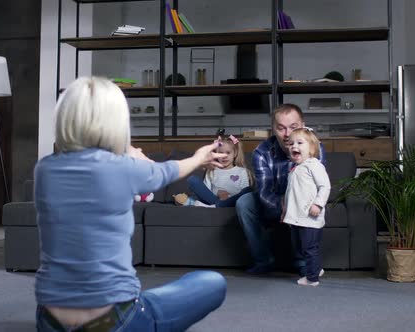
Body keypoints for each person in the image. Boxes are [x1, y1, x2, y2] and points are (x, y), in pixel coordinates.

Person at [34, 76, 227, 332]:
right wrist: (198, 157)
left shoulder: (45, 169)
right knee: (211, 282)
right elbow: (167, 172)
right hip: (111, 322)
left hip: (50, 320)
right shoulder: (123, 168)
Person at [235, 103, 325, 275]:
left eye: (293, 127)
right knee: (244, 202)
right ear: (273, 129)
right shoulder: (261, 152)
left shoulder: (316, 147)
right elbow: (263, 193)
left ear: (303, 125)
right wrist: (284, 205)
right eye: (281, 128)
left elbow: (317, 187)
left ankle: (302, 261)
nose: (287, 134)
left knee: (302, 203)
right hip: (273, 204)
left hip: (303, 203)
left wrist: (293, 204)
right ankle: (263, 260)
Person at [281, 128, 331, 286]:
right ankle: (315, 268)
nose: (294, 146)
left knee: (310, 248)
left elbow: (325, 186)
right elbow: (289, 193)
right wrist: (284, 211)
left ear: (312, 149)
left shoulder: (314, 165)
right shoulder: (295, 168)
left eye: (299, 143)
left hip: (310, 217)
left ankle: (312, 278)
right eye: (291, 143)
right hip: (296, 217)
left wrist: (318, 204)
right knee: (300, 248)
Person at [174, 134, 254, 208]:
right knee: (192, 180)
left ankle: (214, 206)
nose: (224, 156)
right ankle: (217, 205)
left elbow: (244, 196)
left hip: (233, 202)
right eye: (221, 153)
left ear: (235, 154)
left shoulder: (242, 172)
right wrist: (218, 194)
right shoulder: (212, 170)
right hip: (214, 199)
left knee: (248, 191)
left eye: (228, 153)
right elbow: (206, 193)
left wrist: (228, 196)